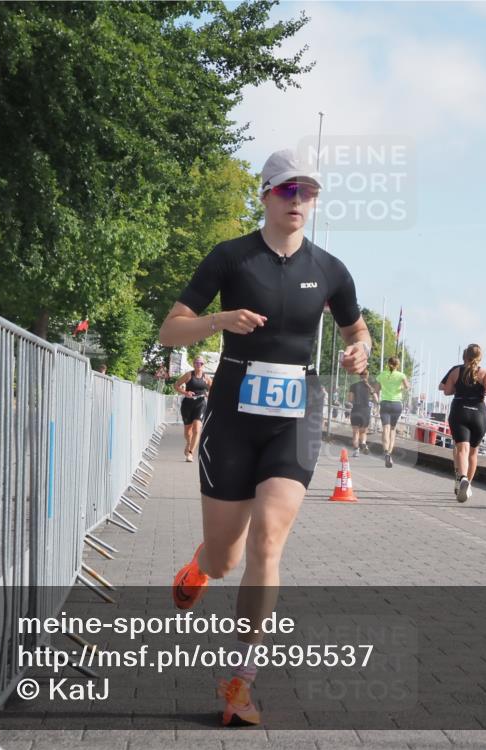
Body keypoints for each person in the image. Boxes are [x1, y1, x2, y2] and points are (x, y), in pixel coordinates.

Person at [157, 148, 371, 726]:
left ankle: (240, 680)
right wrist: (220, 321)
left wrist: (359, 351)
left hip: (296, 415)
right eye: (287, 190)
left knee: (269, 543)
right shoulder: (231, 258)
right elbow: (170, 328)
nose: (298, 200)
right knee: (226, 556)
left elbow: (358, 330)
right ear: (266, 195)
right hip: (232, 413)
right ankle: (200, 566)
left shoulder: (331, 269)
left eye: (308, 192)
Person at [439, 344, 486, 502]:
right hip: (479, 413)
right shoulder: (484, 373)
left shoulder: (456, 371)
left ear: (464, 356)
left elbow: (447, 391)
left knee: (462, 450)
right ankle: (468, 484)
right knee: (473, 452)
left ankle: (462, 478)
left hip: (460, 411)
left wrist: (459, 387)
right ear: (480, 358)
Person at [174, 355, 212, 462]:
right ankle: (189, 442)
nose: (199, 365)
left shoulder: (206, 378)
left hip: (200, 404)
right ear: (193, 364)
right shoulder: (188, 375)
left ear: (203, 365)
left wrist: (209, 394)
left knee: (197, 429)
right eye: (197, 363)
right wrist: (185, 392)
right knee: (188, 432)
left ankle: (190, 453)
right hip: (187, 405)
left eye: (201, 363)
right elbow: (176, 385)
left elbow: (214, 390)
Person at [376, 356, 410, 467]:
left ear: (388, 364)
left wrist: (377, 401)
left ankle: (386, 452)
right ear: (398, 365)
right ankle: (390, 452)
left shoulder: (382, 375)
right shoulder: (401, 375)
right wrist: (400, 387)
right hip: (396, 404)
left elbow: (376, 390)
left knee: (385, 428)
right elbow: (407, 387)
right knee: (392, 429)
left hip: (385, 403)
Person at [347, 370, 378, 457]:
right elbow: (376, 399)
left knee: (355, 432)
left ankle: (356, 450)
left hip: (356, 409)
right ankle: (363, 443)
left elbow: (350, 399)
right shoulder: (370, 387)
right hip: (366, 411)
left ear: (359, 376)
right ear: (367, 376)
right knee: (363, 432)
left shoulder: (353, 386)